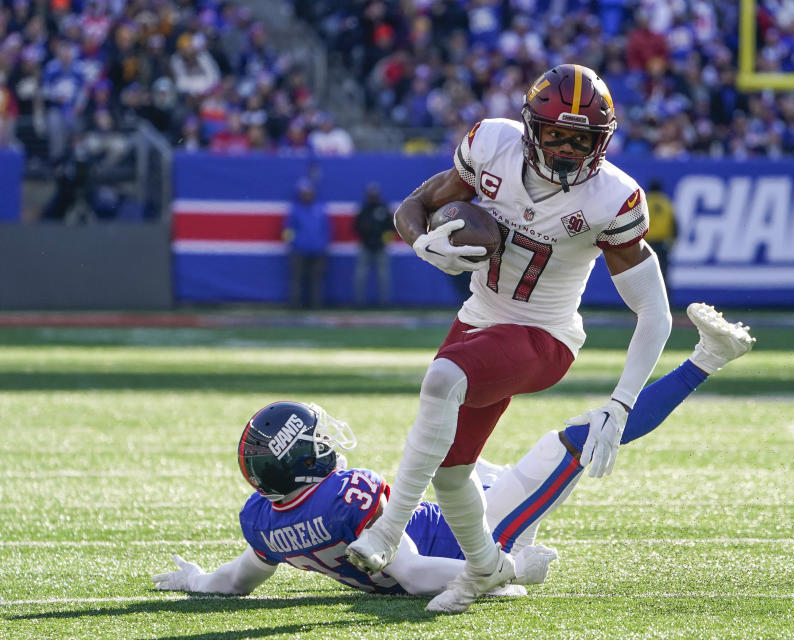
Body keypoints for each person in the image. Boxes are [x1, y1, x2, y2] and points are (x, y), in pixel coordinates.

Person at [347, 63, 674, 613]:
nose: (569, 150)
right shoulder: (490, 144)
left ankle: (387, 530)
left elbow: (655, 314)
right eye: (557, 134)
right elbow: (414, 207)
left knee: (441, 379)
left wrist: (620, 404)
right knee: (452, 475)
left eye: (583, 139)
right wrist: (425, 244)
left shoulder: (612, 197)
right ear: (530, 128)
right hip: (480, 318)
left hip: (545, 336)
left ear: (603, 141)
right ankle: (486, 567)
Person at [151, 304, 755, 599]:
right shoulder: (342, 497)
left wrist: (196, 582)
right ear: (301, 460)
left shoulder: (263, 519)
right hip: (472, 535)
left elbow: (236, 582)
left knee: (471, 456)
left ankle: (706, 359)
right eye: (317, 440)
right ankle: (708, 359)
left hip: (453, 511)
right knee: (578, 438)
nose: (328, 442)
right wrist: (504, 569)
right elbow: (413, 573)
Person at [286, 177, 330, 309]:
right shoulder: (295, 210)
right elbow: (288, 230)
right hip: (299, 250)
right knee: (296, 280)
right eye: (304, 192)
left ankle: (316, 305)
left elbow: (327, 229)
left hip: (318, 250)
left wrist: (323, 244)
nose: (306, 194)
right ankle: (295, 305)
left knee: (317, 280)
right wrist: (294, 244)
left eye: (309, 192)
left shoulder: (320, 208)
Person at [353, 183, 395, 307]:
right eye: (370, 195)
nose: (372, 197)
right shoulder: (363, 209)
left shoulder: (383, 209)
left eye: (374, 195)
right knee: (360, 276)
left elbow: (390, 228)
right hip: (365, 246)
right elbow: (355, 227)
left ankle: (385, 302)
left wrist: (383, 241)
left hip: (380, 247)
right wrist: (365, 235)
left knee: (384, 276)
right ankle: (359, 302)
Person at [643, 180, 677, 296]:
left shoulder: (645, 200)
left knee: (644, 275)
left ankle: (641, 307)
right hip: (661, 243)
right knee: (662, 274)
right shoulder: (666, 202)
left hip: (644, 243)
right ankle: (666, 305)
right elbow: (675, 225)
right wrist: (672, 243)